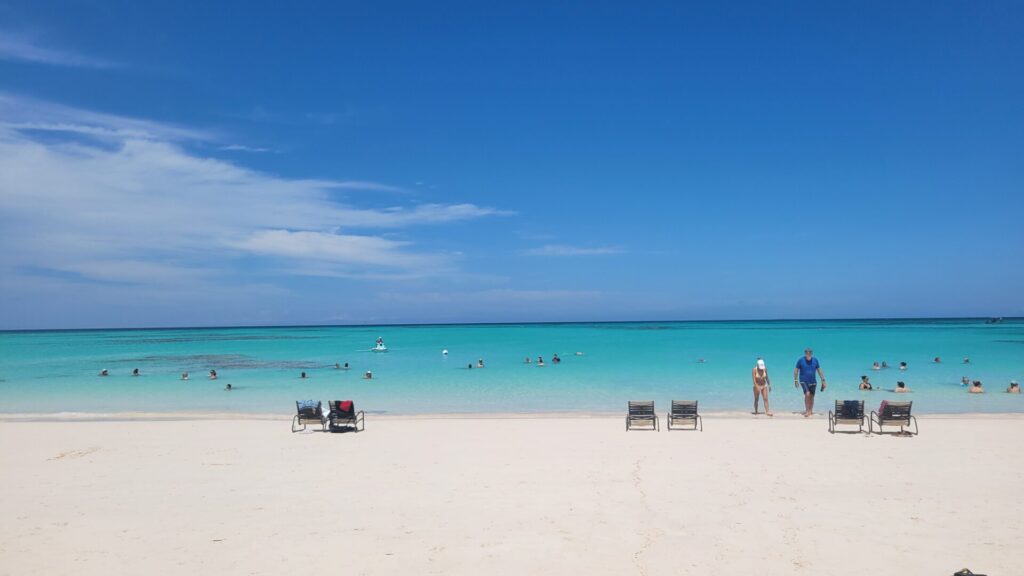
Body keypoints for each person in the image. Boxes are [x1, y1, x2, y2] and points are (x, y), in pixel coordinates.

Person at [794, 348, 826, 417]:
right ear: (805, 353)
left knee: (812, 396)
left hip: (813, 381)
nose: (808, 354)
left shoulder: (815, 360)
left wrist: (823, 380)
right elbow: (796, 370)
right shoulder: (800, 360)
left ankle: (810, 410)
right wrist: (796, 380)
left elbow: (819, 370)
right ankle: (807, 411)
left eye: (810, 353)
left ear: (811, 353)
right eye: (807, 353)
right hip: (803, 380)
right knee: (807, 394)